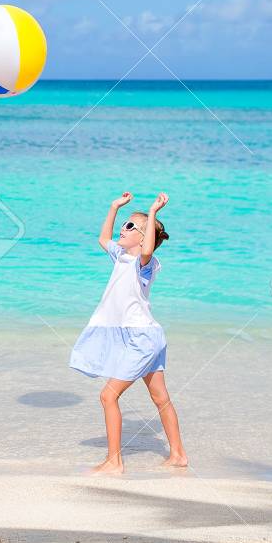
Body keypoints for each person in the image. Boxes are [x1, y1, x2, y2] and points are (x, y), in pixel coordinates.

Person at [69, 191, 187, 474]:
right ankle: (179, 455)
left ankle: (114, 461)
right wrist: (113, 207)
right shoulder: (121, 257)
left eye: (130, 226)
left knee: (108, 396)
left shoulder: (144, 265)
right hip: (148, 336)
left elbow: (147, 250)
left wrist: (152, 212)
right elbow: (102, 239)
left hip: (142, 339)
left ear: (143, 236)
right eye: (124, 224)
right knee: (160, 398)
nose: (123, 228)